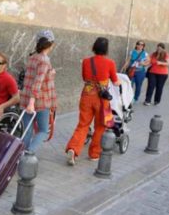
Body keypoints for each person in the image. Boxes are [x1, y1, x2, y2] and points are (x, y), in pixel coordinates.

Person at [65, 37, 120, 165]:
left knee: (83, 124)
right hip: (102, 99)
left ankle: (73, 148)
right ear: (106, 49)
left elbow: (85, 78)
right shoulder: (110, 63)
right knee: (100, 126)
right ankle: (94, 154)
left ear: (94, 47)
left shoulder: (86, 61)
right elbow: (116, 81)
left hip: (87, 95)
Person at [20, 30, 57, 153]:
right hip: (39, 100)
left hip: (26, 97)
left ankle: (21, 157)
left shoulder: (32, 57)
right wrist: (32, 102)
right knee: (42, 130)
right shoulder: (44, 60)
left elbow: (32, 77)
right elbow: (38, 82)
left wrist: (50, 74)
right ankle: (29, 153)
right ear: (51, 44)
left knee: (27, 130)